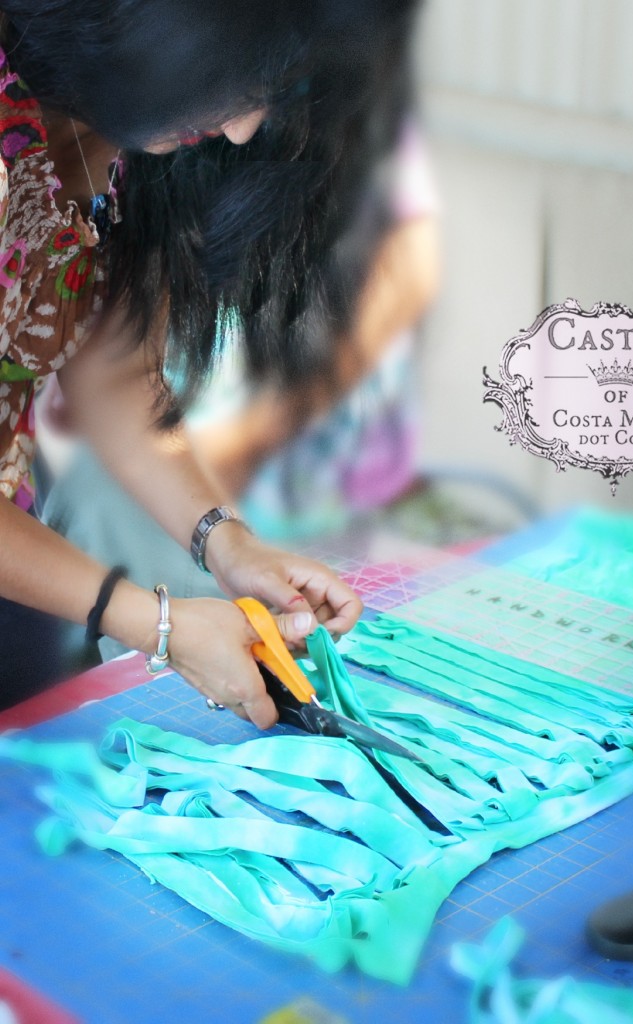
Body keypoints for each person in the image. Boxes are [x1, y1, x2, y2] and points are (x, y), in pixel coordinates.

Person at [0, 0, 422, 713]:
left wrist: (224, 543)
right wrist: (159, 626)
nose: (242, 129)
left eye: (270, 92)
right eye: (236, 86)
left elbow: (116, 365)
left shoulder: (127, 136)